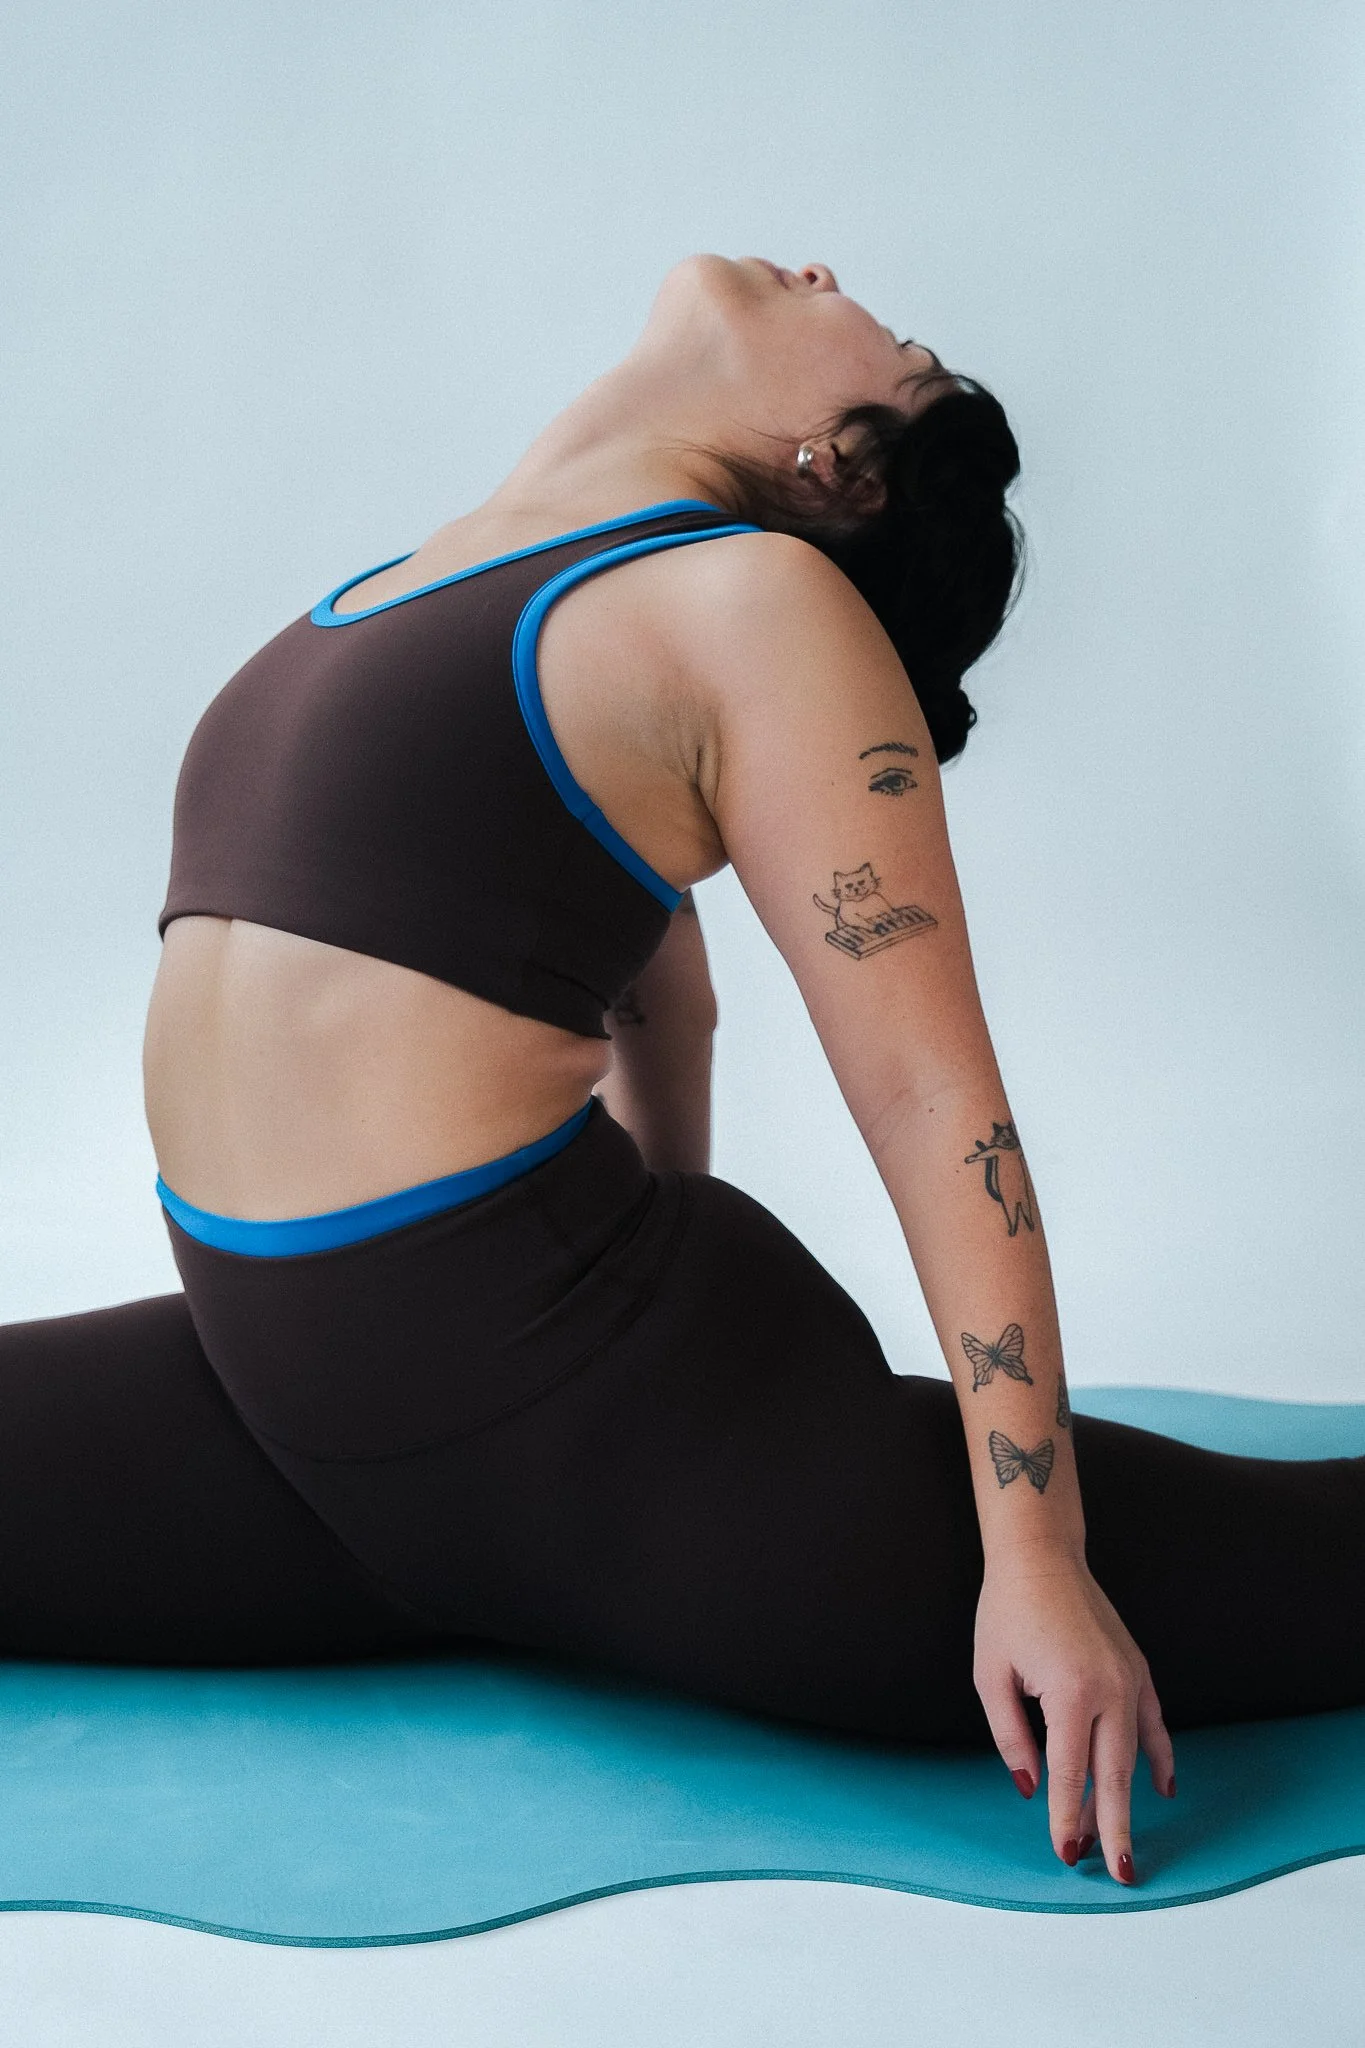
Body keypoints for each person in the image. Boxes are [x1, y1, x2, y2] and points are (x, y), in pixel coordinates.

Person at [3, 256, 1362, 1895]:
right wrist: (652, 1215)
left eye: (897, 343)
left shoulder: (759, 605)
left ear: (841, 465)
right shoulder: (441, 575)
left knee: (1317, 1573)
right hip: (308, 1409)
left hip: (624, 1440)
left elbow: (937, 1102)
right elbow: (666, 988)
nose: (828, 276)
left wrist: (1039, 1560)